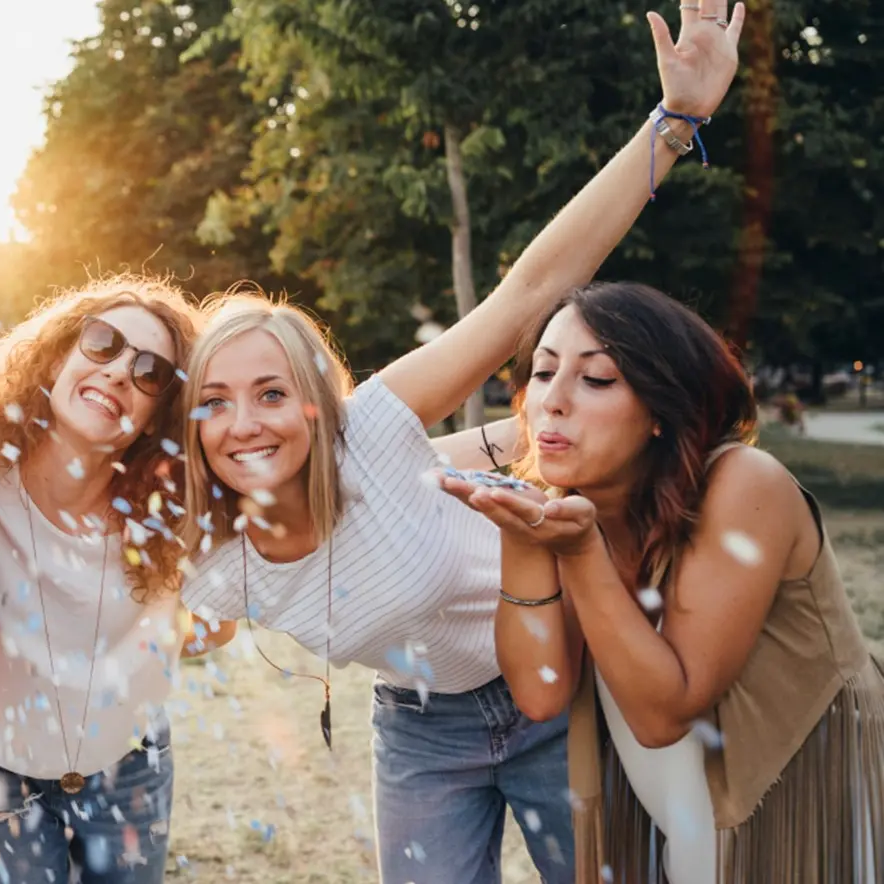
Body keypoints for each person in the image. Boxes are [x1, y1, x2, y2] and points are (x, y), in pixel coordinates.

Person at [175, 4, 747, 882]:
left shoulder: (374, 427)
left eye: (271, 393)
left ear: (321, 407)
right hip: (419, 729)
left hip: (561, 691)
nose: (244, 423)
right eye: (213, 402)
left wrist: (673, 124)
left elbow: (532, 290)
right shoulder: (205, 554)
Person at [439, 282, 884, 884]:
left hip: (816, 813)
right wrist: (521, 539)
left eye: (596, 380)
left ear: (660, 408)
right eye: (543, 374)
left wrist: (579, 553)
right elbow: (541, 695)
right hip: (681, 829)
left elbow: (663, 714)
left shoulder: (743, 484)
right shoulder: (569, 502)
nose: (553, 401)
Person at [0, 277, 206, 884]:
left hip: (129, 764)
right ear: (59, 353)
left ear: (158, 416)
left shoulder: (177, 508)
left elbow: (211, 634)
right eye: (102, 343)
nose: (121, 370)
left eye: (150, 372)